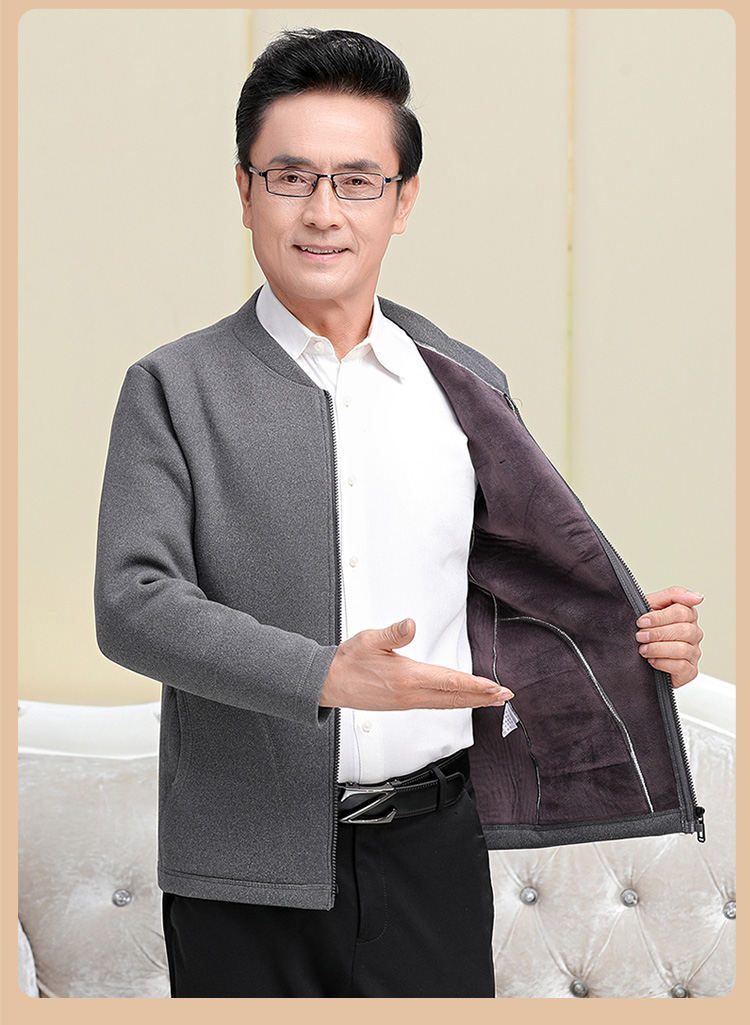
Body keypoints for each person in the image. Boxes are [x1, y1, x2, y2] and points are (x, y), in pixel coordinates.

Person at [94, 27, 705, 999]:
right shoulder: (172, 387)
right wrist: (326, 673)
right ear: (245, 191)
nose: (322, 211)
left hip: (435, 853)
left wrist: (646, 645)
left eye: (357, 180)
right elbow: (132, 603)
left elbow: (516, 597)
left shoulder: (466, 386)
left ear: (402, 200)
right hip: (241, 877)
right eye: (289, 177)